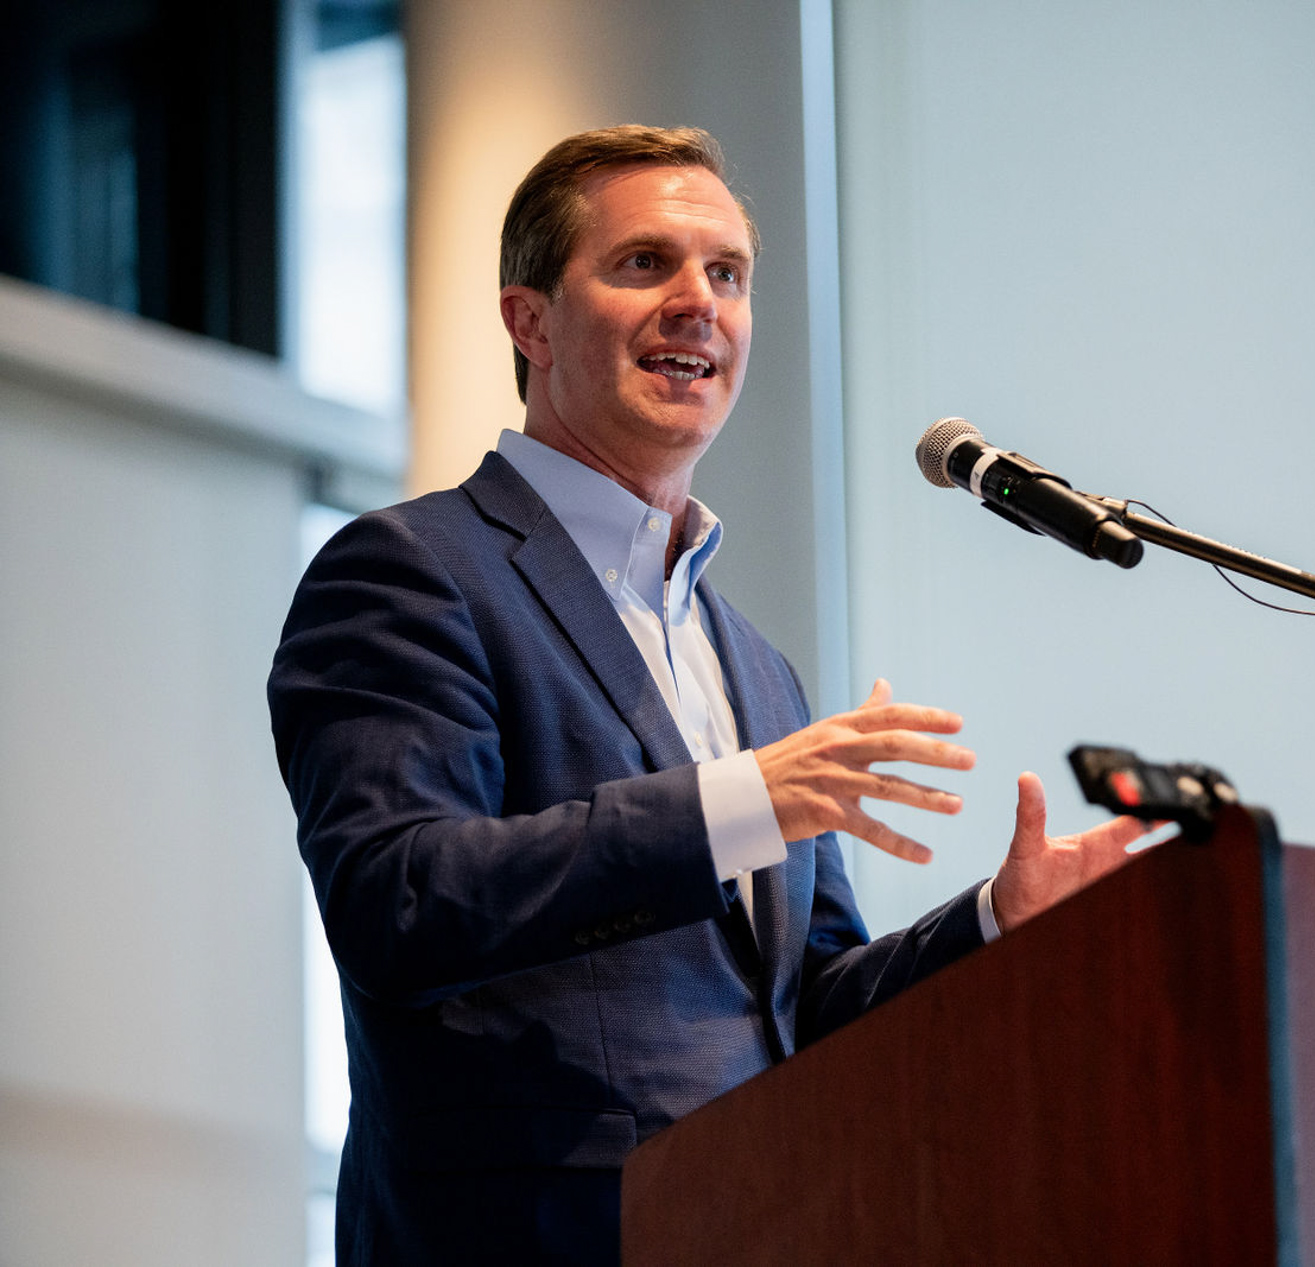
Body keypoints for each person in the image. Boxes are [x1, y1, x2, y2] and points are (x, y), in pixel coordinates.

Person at [268, 124, 1145, 1265]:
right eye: (645, 264)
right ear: (528, 319)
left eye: (726, 274)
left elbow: (807, 1007)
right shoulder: (412, 570)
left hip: (767, 1222)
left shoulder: (756, 666)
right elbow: (402, 901)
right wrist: (730, 804)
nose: (700, 303)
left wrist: (991, 925)